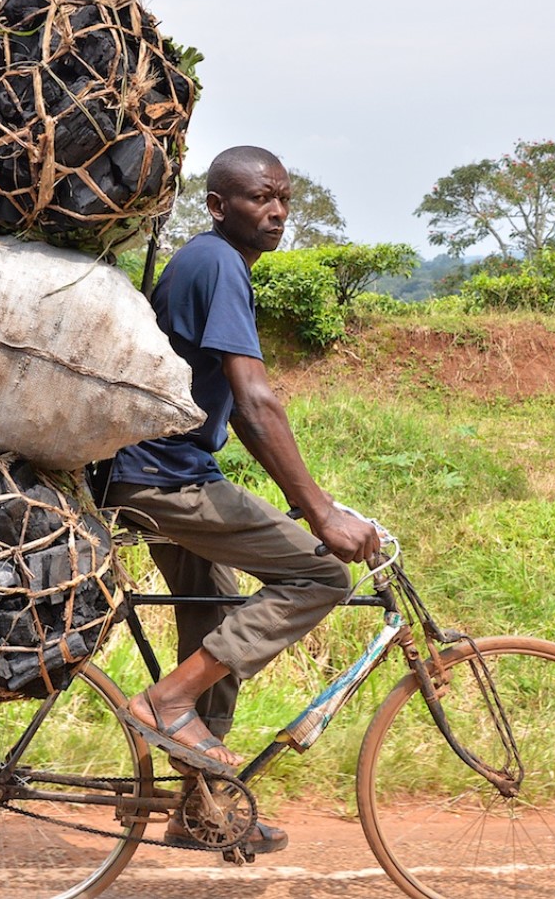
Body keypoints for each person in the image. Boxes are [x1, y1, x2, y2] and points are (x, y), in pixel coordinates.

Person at [95, 145, 380, 852]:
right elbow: (255, 404)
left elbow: (236, 412)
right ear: (219, 206)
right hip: (164, 480)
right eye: (259, 198)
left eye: (283, 198)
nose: (277, 211)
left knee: (217, 618)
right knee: (320, 573)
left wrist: (299, 496)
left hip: (147, 471)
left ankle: (201, 809)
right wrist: (319, 511)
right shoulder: (218, 262)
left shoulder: (206, 261)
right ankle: (168, 702)